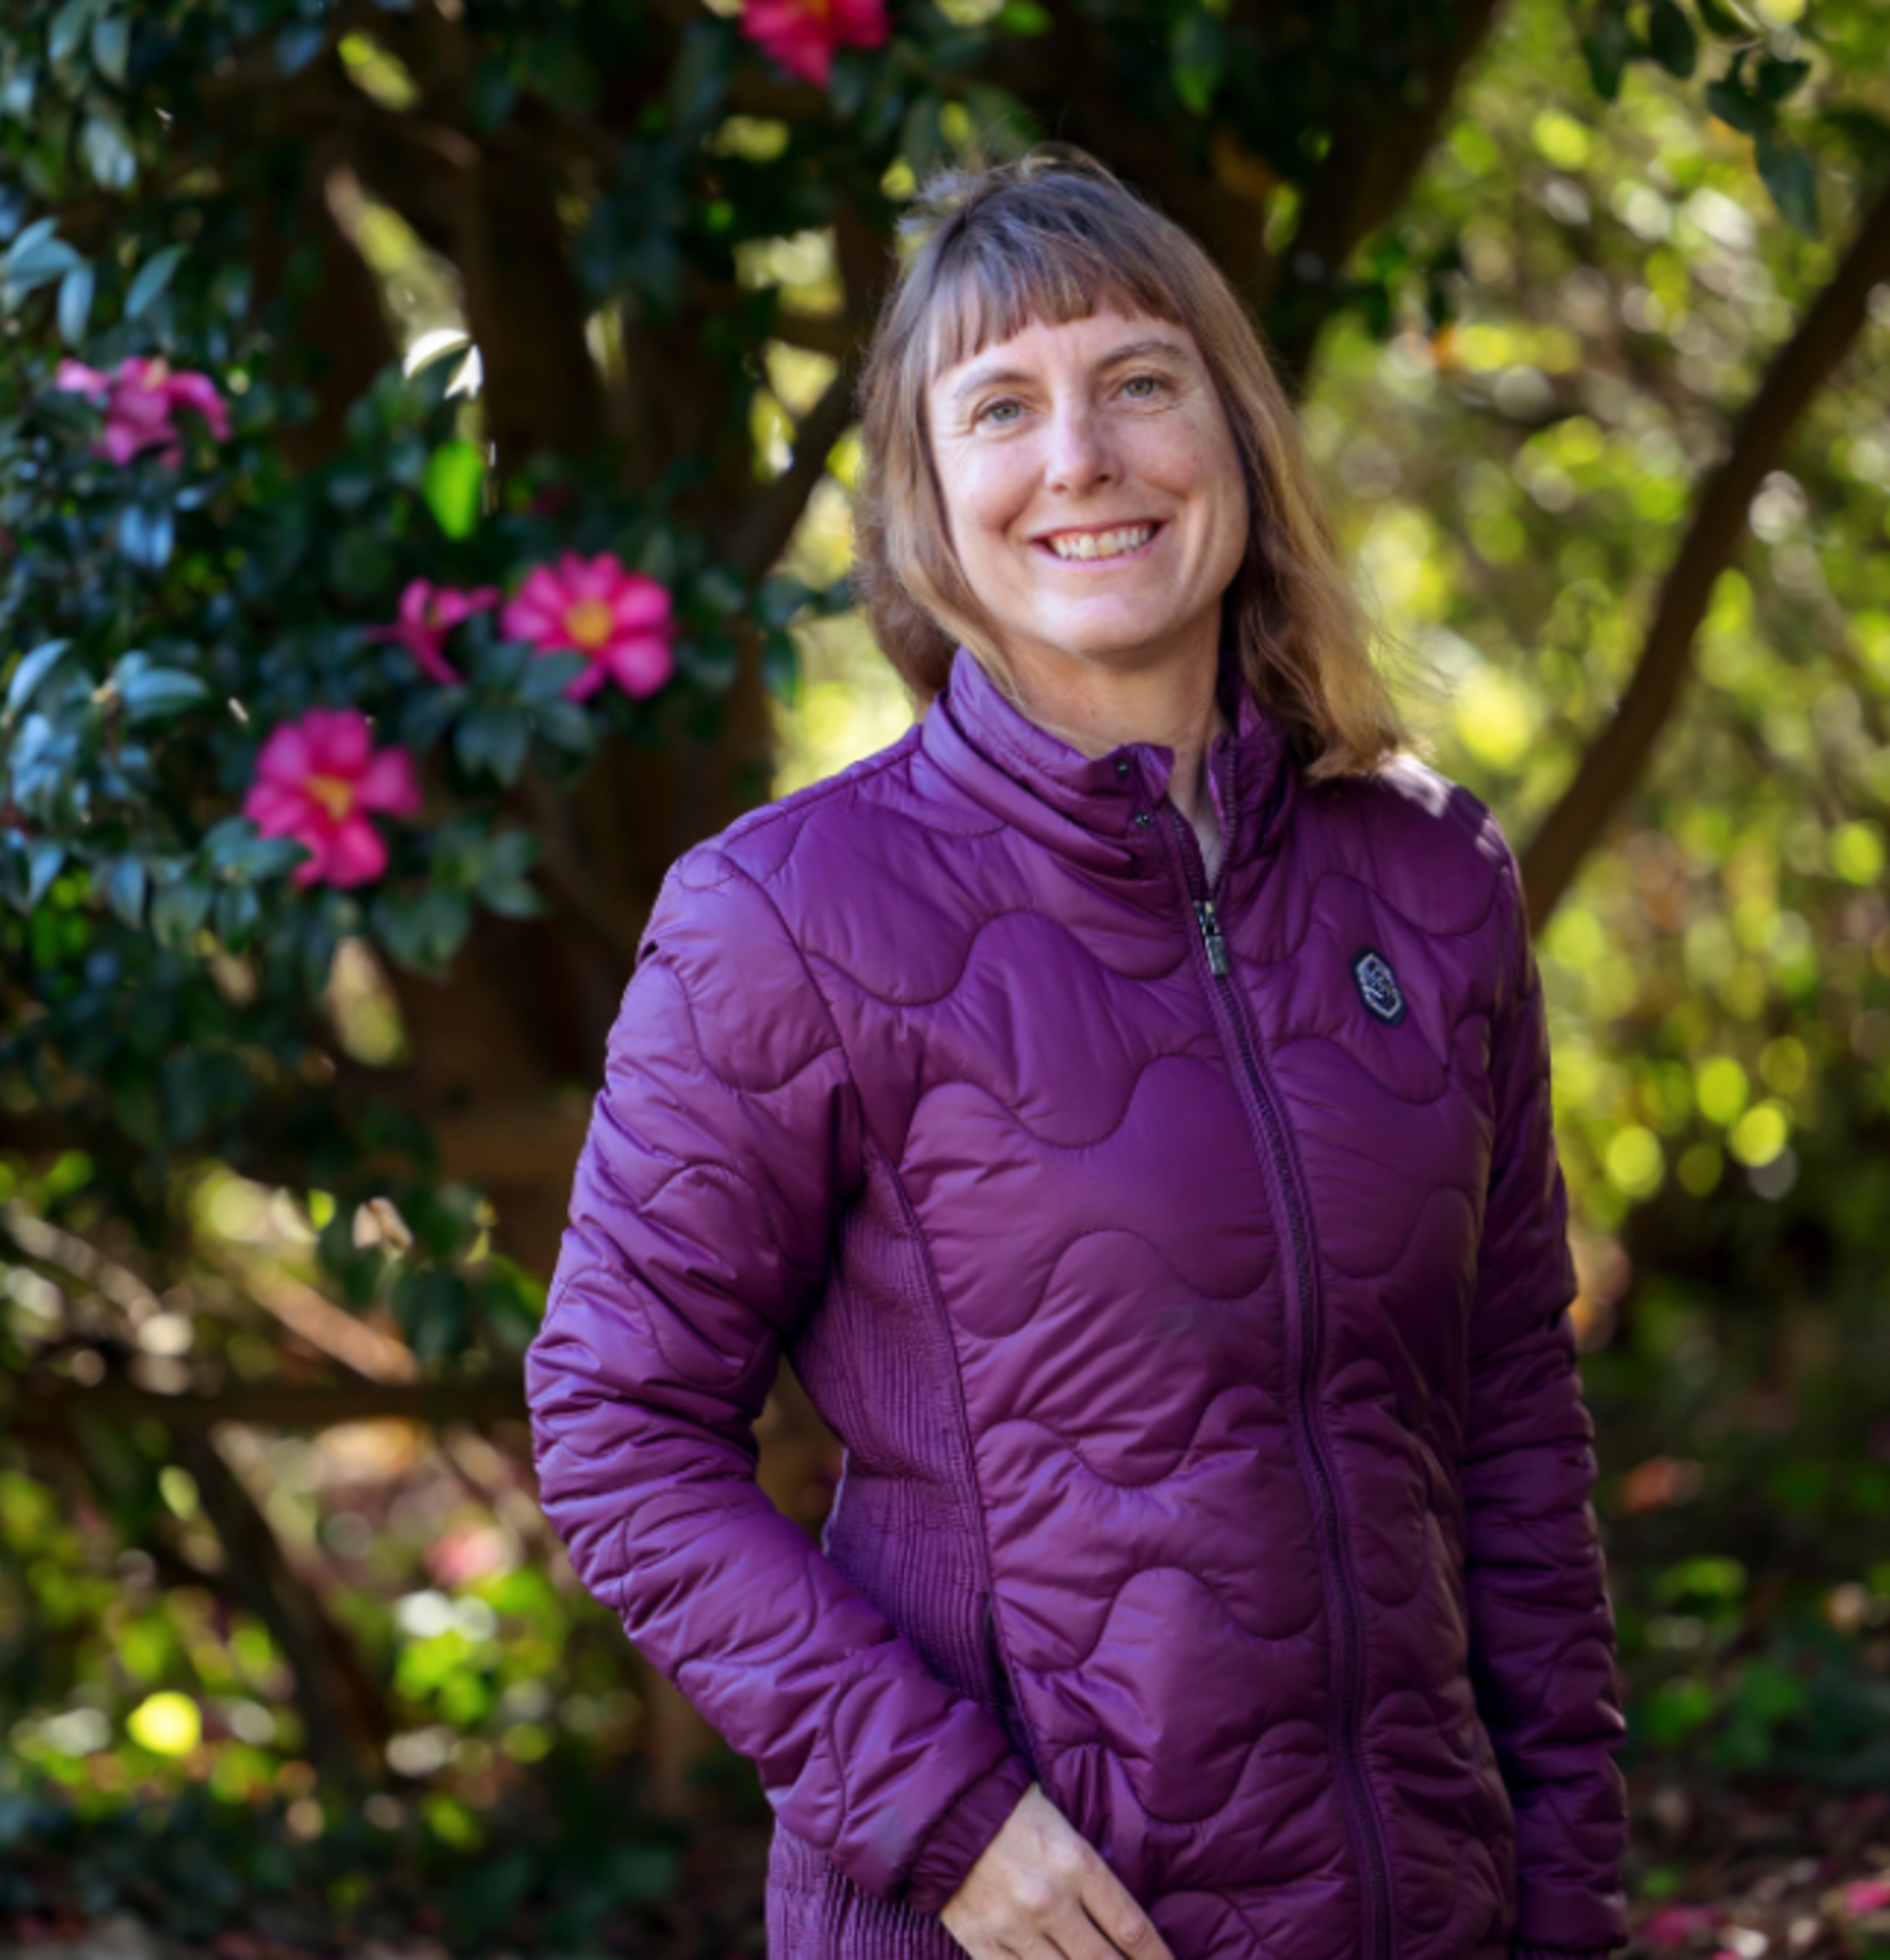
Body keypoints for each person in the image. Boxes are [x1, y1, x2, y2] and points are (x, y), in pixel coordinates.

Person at [526, 147, 1629, 1960]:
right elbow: (615, 1427)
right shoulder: (787, 918)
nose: (1081, 458)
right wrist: (950, 1827)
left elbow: (1511, 1412)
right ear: (928, 500)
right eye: (1001, 409)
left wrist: (1571, 1899)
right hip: (1011, 1926)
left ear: (1234, 435)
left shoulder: (1432, 877)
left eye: (1138, 383)